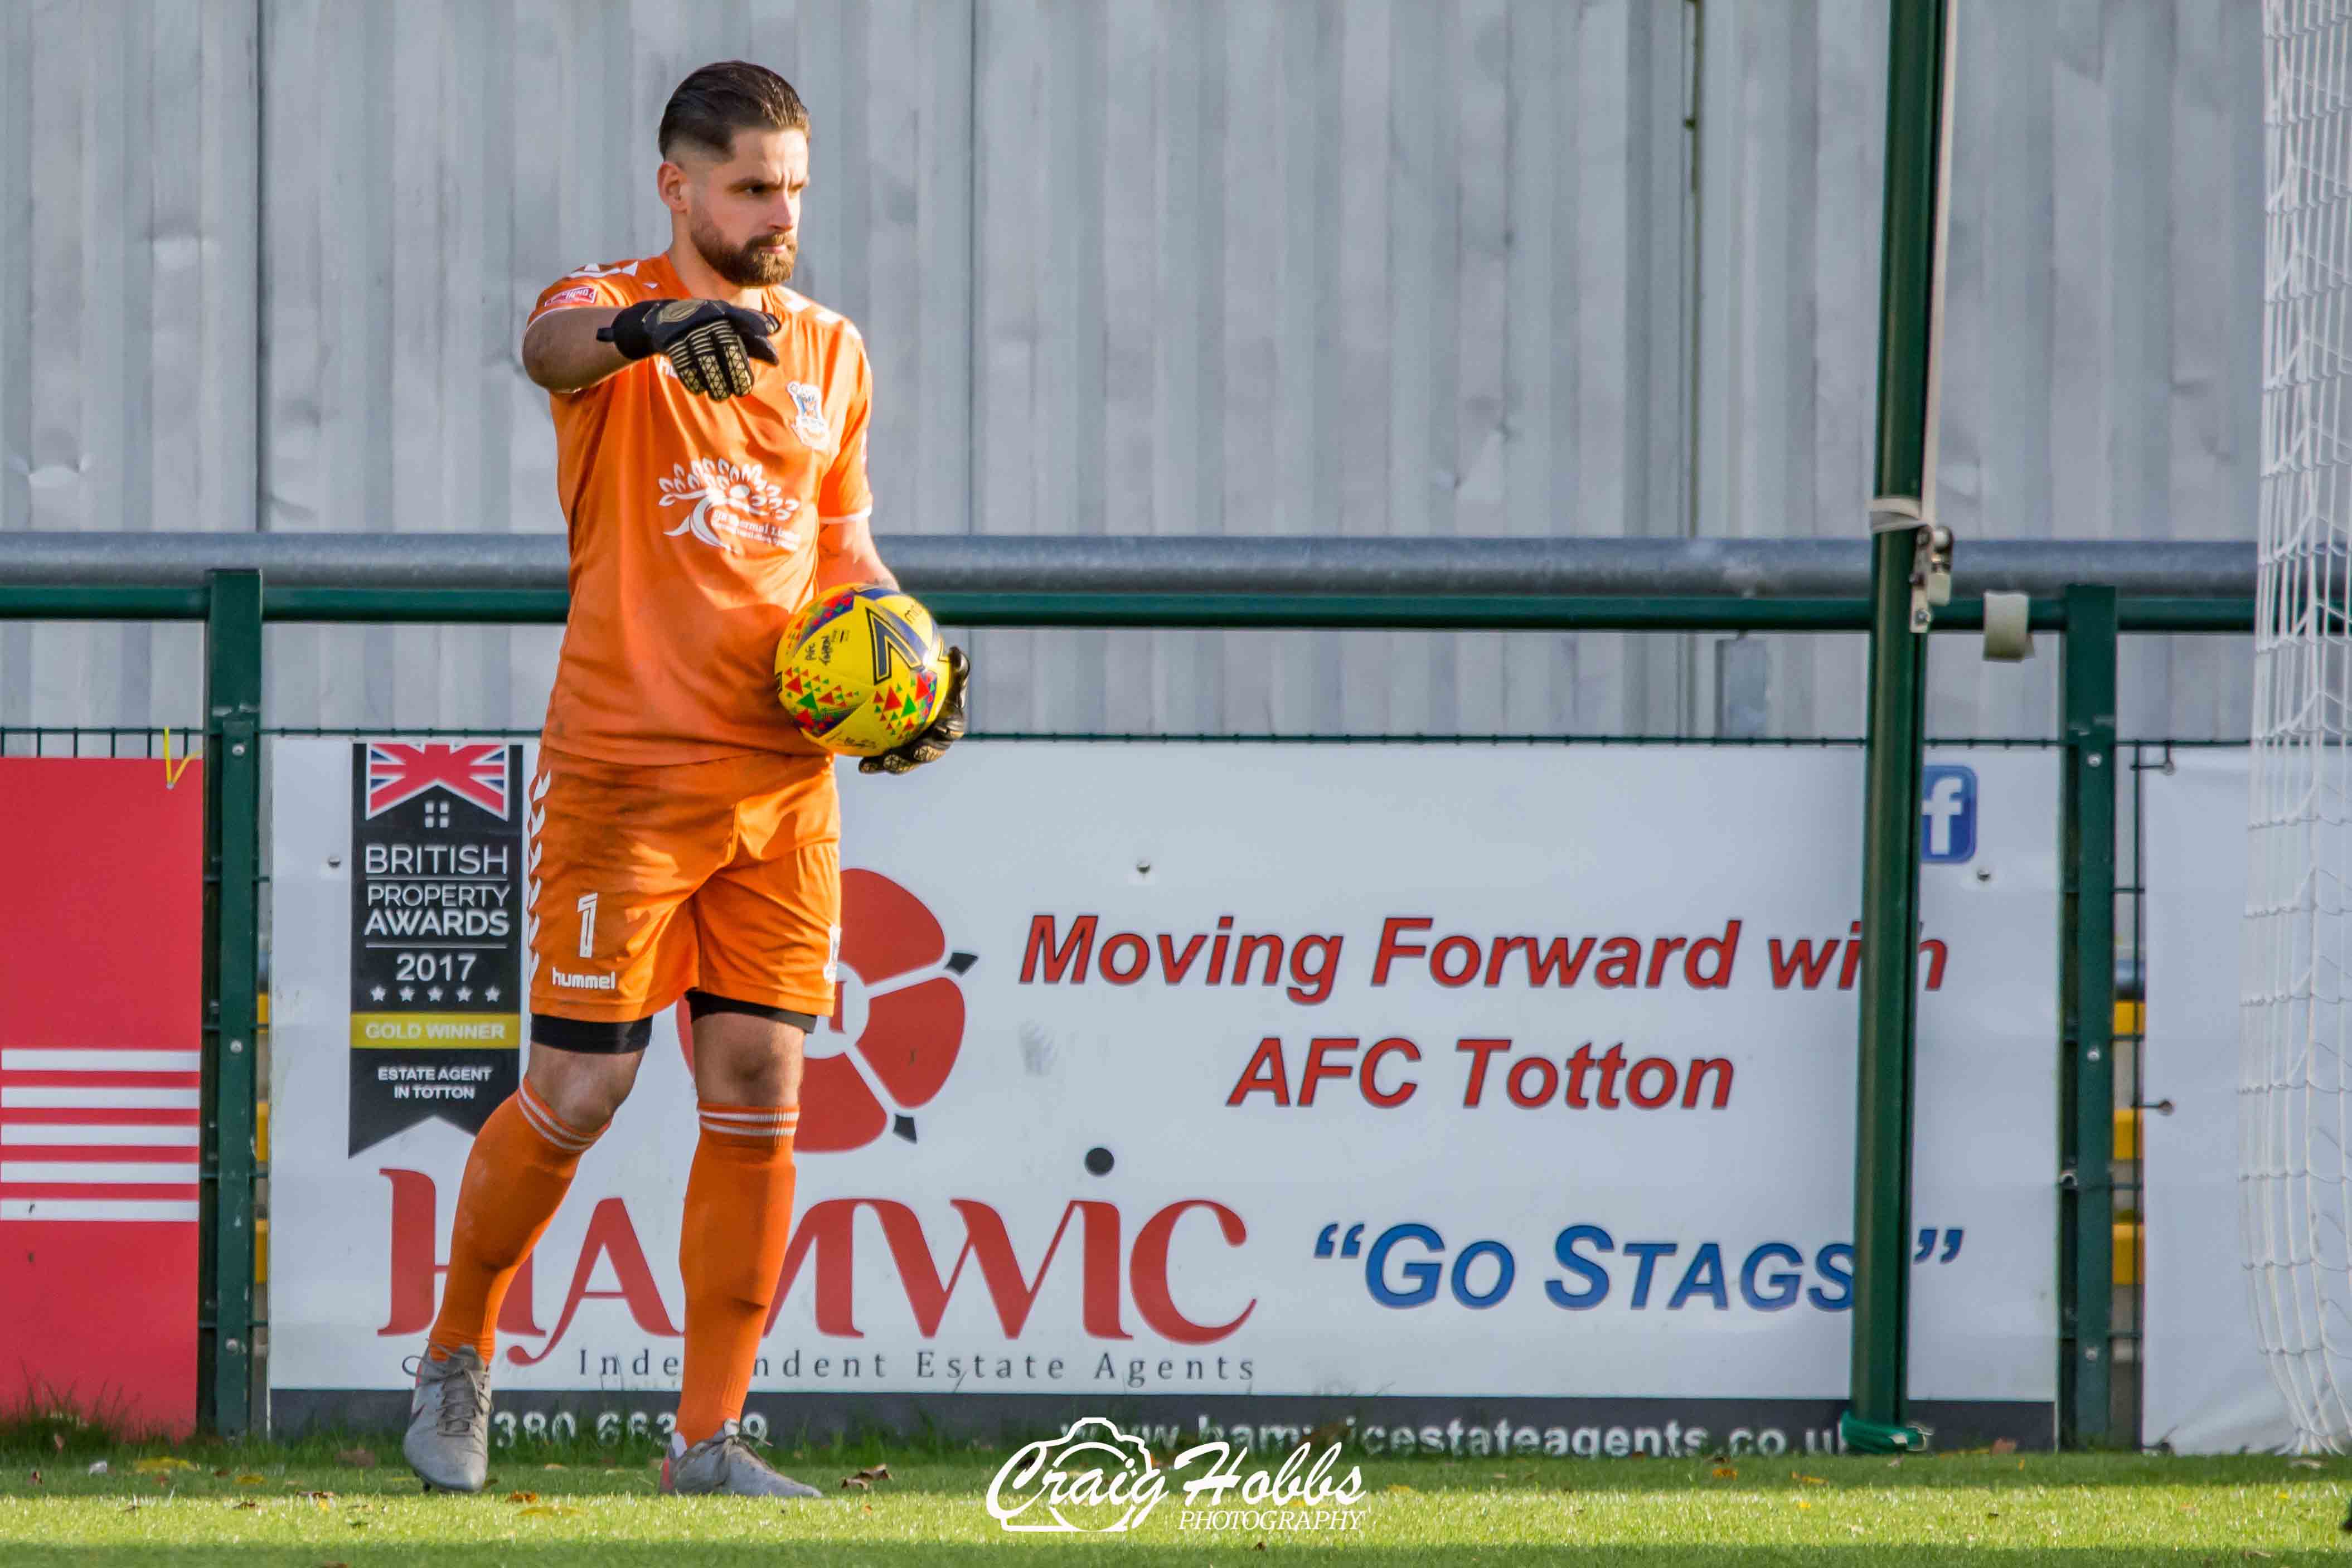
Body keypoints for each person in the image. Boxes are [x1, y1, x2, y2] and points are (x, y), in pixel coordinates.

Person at [400, 59, 967, 1499]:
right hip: (628, 776)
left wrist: (911, 669)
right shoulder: (608, 311)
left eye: (793, 189)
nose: (779, 213)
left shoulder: (831, 349)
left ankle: (706, 1439)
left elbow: (839, 550)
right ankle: (458, 1356)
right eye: (750, 188)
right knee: (581, 1088)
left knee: (763, 1080)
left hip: (781, 793)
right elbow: (549, 349)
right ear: (679, 186)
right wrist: (657, 326)